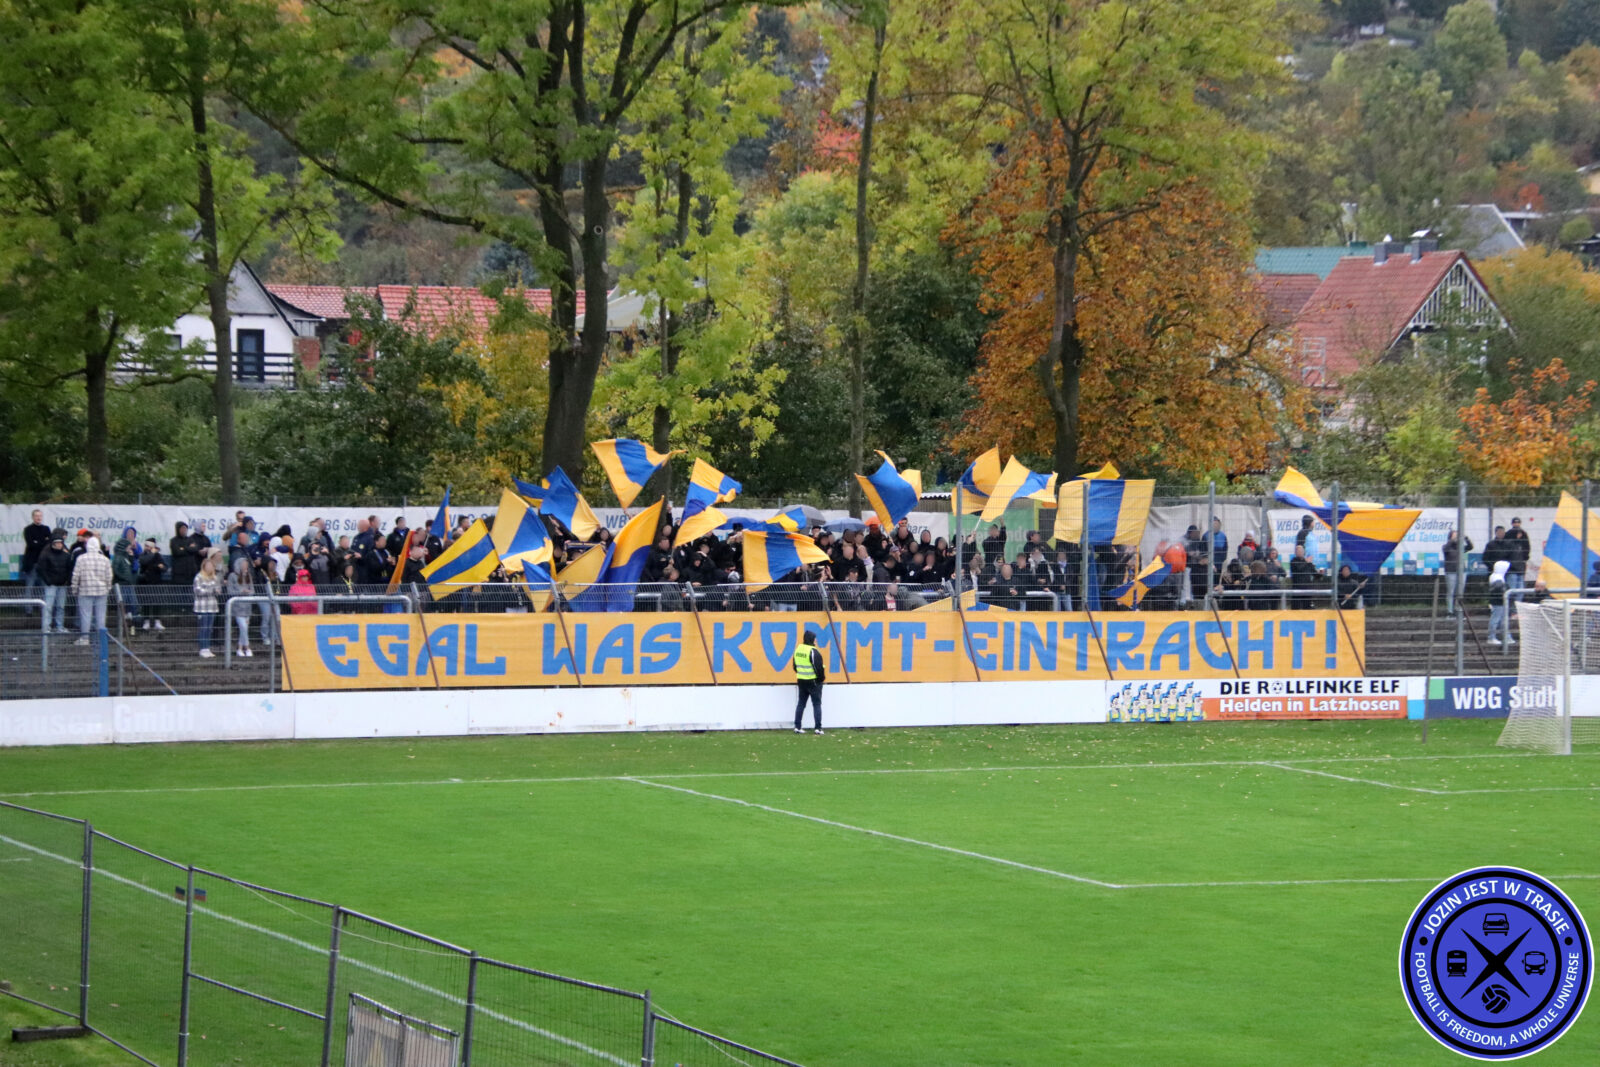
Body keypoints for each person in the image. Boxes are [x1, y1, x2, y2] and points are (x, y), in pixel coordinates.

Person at [70, 536, 113, 645]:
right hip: (101, 591)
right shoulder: (105, 559)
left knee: (85, 615)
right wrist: (107, 588)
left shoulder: (81, 558)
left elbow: (76, 576)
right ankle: (101, 639)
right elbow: (109, 576)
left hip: (85, 591)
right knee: (101, 616)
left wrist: (74, 589)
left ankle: (85, 638)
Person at [36, 530, 73, 633]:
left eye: (61, 543)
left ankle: (59, 626)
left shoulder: (66, 555)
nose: (59, 545)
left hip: (62, 585)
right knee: (48, 606)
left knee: (61, 607)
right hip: (51, 585)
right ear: (52, 544)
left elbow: (70, 569)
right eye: (57, 543)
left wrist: (67, 581)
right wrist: (48, 581)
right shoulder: (46, 554)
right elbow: (41, 569)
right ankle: (46, 627)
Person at [792, 631, 825, 735]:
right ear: (811, 639)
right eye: (815, 638)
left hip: (801, 680)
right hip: (813, 681)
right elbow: (818, 668)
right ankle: (818, 728)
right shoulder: (813, 651)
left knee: (801, 703)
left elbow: (795, 666)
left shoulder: (798, 650)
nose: (816, 640)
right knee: (816, 704)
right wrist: (820, 679)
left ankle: (797, 727)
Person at [111, 526, 143, 628]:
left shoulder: (135, 545)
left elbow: (137, 556)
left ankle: (131, 619)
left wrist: (133, 551)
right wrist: (123, 577)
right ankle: (123, 620)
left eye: (132, 533)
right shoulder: (119, 553)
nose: (131, 535)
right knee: (123, 601)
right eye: (129, 533)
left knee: (132, 600)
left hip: (131, 578)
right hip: (123, 582)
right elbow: (116, 569)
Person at [19, 507, 49, 613]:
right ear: (32, 517)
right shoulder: (28, 529)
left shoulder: (46, 529)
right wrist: (42, 542)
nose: (38, 518)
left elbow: (48, 544)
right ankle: (28, 610)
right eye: (36, 516)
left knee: (44, 588)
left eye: (40, 516)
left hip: (43, 564)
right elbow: (31, 544)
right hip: (31, 563)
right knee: (29, 588)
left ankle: (44, 609)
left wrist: (38, 542)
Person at [193, 550, 223, 658]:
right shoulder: (199, 577)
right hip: (202, 608)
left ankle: (207, 648)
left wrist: (213, 590)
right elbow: (198, 591)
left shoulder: (215, 578)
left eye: (212, 566)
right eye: (208, 566)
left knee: (209, 628)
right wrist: (211, 590)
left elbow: (218, 590)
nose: (210, 568)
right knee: (203, 628)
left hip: (212, 607)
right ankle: (202, 648)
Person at [226, 557, 256, 657]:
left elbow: (252, 590)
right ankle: (247, 647)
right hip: (237, 606)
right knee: (243, 626)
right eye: (243, 565)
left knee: (245, 628)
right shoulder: (232, 576)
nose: (245, 567)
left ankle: (239, 647)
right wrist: (241, 592)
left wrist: (248, 593)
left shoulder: (248, 576)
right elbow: (230, 591)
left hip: (247, 606)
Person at [137, 537, 167, 630]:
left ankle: (157, 621)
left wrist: (161, 567)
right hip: (145, 582)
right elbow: (144, 561)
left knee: (156, 602)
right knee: (145, 602)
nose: (147, 547)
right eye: (146, 545)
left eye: (149, 546)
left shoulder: (158, 556)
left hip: (156, 582)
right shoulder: (142, 555)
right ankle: (146, 621)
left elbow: (164, 567)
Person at [1441, 529, 1472, 616]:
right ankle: (1450, 611)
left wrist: (1466, 538)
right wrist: (1452, 540)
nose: (1456, 538)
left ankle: (1458, 609)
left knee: (1460, 592)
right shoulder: (1446, 546)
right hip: (1451, 571)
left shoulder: (1461, 547)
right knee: (1451, 591)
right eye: (1454, 536)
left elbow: (1470, 547)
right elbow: (1446, 549)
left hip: (1462, 572)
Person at [1486, 559, 1512, 647]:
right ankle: (1491, 637)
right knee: (1496, 619)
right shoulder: (1497, 578)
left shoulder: (1497, 576)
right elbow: (1500, 590)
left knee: (1502, 620)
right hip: (1498, 602)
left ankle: (1506, 636)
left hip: (1499, 602)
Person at [1289, 544, 1320, 610]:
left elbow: (1314, 574)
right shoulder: (1293, 561)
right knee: (1296, 608)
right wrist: (1306, 561)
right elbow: (1299, 568)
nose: (1300, 552)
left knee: (1307, 607)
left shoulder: (1307, 562)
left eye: (1301, 550)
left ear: (1304, 552)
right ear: (1295, 552)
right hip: (1297, 588)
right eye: (1298, 551)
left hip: (1307, 588)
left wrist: (1320, 574)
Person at [1504, 517, 1530, 591]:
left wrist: (1525, 558)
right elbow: (1506, 547)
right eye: (1515, 523)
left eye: (1518, 522)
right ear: (1512, 524)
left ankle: (1518, 602)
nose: (1516, 524)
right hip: (1511, 567)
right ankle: (1511, 602)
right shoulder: (1508, 534)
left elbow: (1527, 548)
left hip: (1521, 566)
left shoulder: (1523, 534)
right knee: (1512, 587)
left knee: (1520, 587)